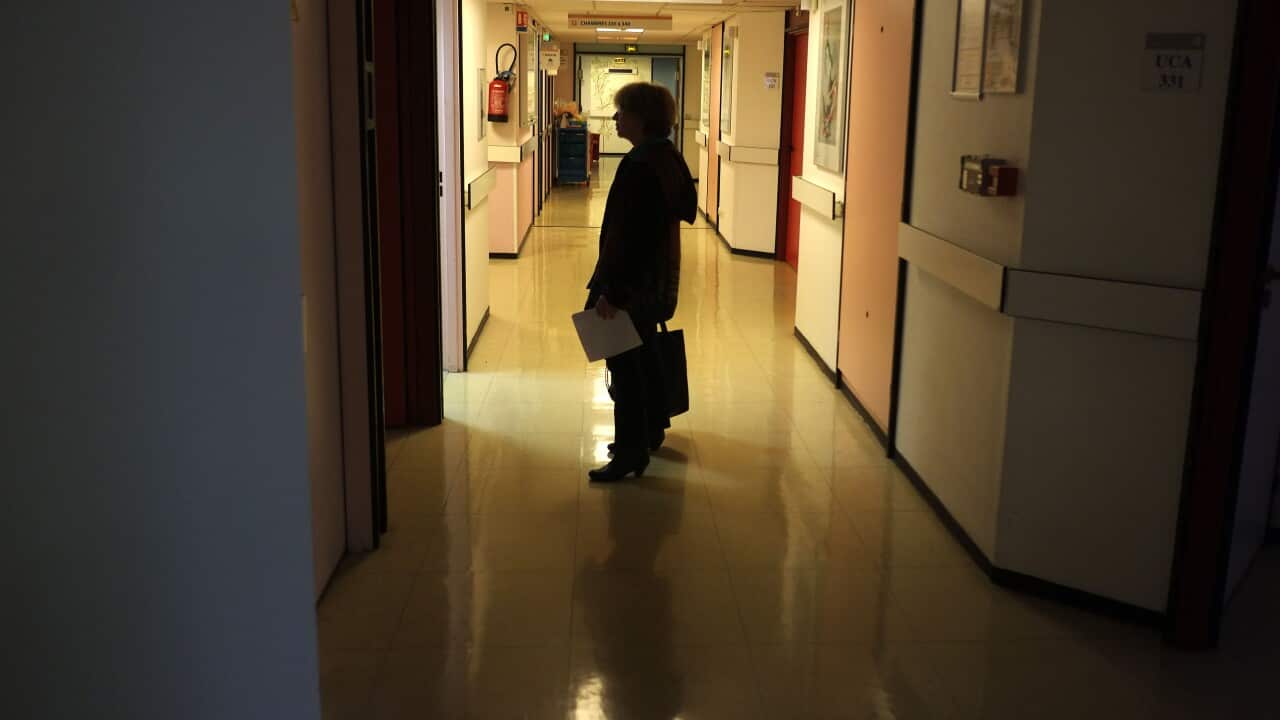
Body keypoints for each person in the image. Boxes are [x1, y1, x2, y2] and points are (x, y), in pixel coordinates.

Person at [585, 82, 696, 482]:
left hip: (632, 289)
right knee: (644, 357)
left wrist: (610, 292)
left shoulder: (639, 166)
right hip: (657, 286)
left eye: (621, 112)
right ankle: (648, 432)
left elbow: (630, 238)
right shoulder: (668, 158)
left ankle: (631, 453)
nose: (615, 118)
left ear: (641, 118)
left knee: (625, 367)